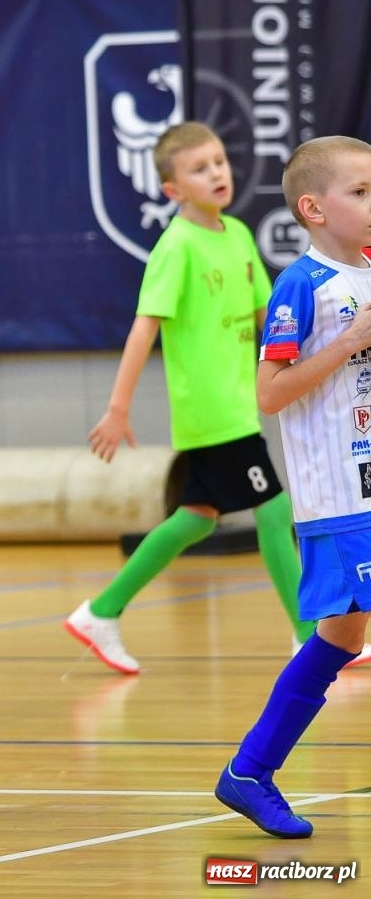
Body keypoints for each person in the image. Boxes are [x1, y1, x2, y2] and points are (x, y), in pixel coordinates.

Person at [72, 122, 342, 674]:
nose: (216, 173)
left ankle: (101, 611)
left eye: (219, 161)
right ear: (172, 190)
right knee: (274, 509)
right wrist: (117, 407)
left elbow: (268, 319)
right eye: (199, 168)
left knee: (196, 517)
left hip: (242, 403)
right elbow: (144, 327)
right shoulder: (176, 247)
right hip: (212, 411)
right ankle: (307, 637)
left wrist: (305, 371)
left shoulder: (238, 234)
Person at [215, 135, 371, 838]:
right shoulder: (302, 287)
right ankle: (251, 768)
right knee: (340, 635)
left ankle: (250, 771)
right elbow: (271, 394)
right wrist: (346, 344)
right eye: (361, 192)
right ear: (313, 208)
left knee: (341, 636)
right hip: (339, 496)